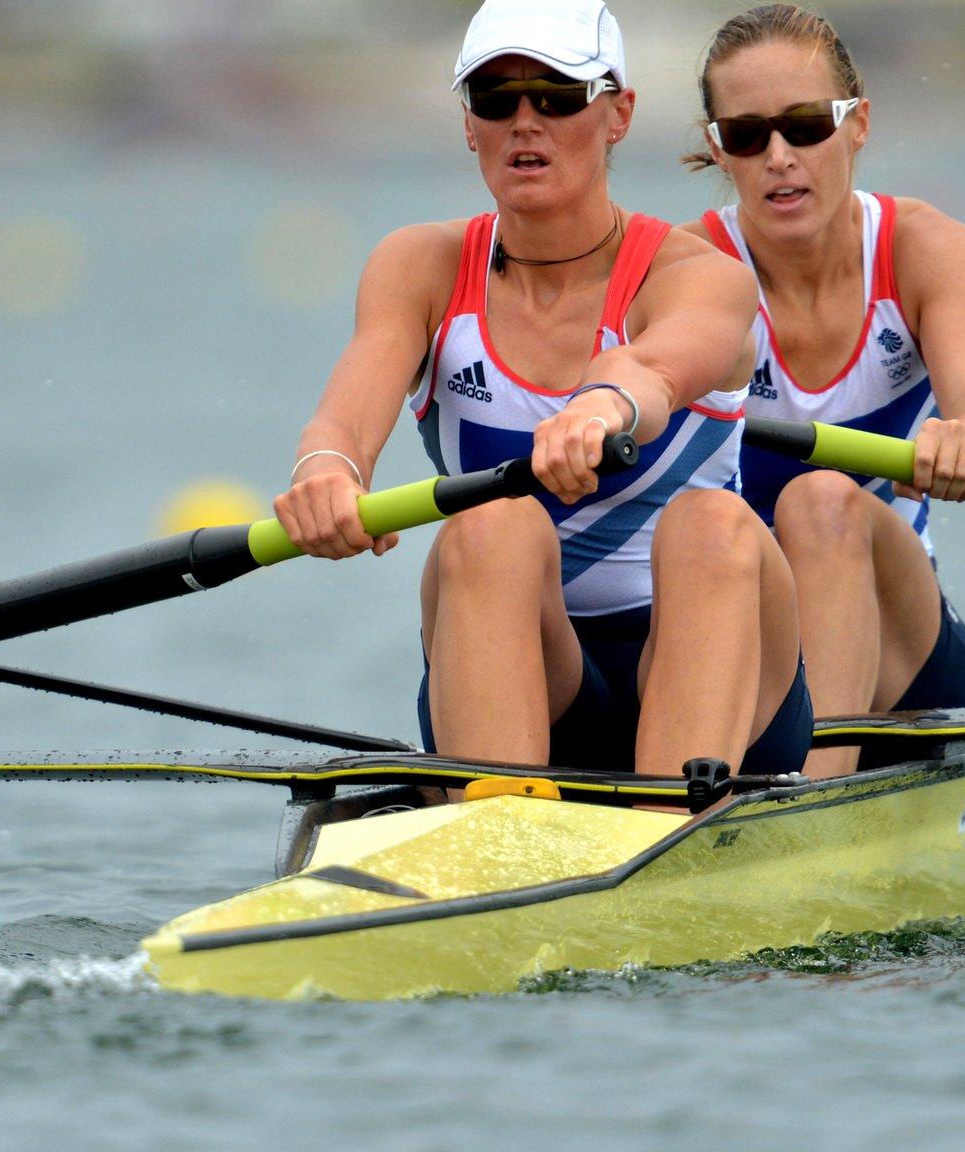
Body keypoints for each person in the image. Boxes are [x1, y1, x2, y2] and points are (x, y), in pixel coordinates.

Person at [273, 0, 812, 784]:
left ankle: (670, 823)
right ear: (469, 125)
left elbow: (654, 370)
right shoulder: (419, 267)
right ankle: (498, 835)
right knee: (490, 524)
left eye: (558, 97)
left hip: (732, 687)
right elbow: (344, 422)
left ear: (619, 114)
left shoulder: (702, 276)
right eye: (497, 100)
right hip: (535, 668)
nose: (526, 122)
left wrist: (603, 405)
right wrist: (324, 473)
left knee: (713, 523)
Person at [679, 4, 965, 776]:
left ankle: (814, 806)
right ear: (719, 149)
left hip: (905, 653)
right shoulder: (690, 273)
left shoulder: (928, 251)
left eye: (806, 125)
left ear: (858, 124)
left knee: (822, 501)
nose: (778, 156)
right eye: (747, 134)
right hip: (751, 648)